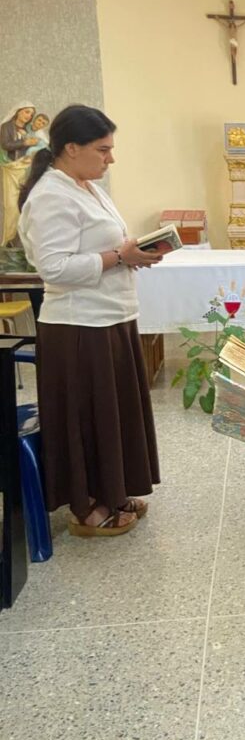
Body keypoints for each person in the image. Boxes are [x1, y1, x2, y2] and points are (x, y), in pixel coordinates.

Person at [18, 105, 163, 537]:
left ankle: (113, 490)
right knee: (87, 416)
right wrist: (121, 256)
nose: (110, 159)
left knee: (111, 414)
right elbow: (55, 268)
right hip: (78, 326)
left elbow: (100, 244)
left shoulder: (85, 187)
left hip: (110, 316)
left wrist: (132, 249)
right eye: (103, 150)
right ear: (71, 147)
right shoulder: (50, 196)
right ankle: (86, 508)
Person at [0, 103, 38, 244]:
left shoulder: (28, 130)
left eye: (31, 114)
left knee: (22, 202)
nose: (29, 116)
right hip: (11, 168)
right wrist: (25, 143)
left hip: (25, 168)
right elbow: (5, 145)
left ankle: (20, 241)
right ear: (18, 112)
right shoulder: (6, 127)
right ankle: (7, 239)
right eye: (26, 112)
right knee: (10, 204)